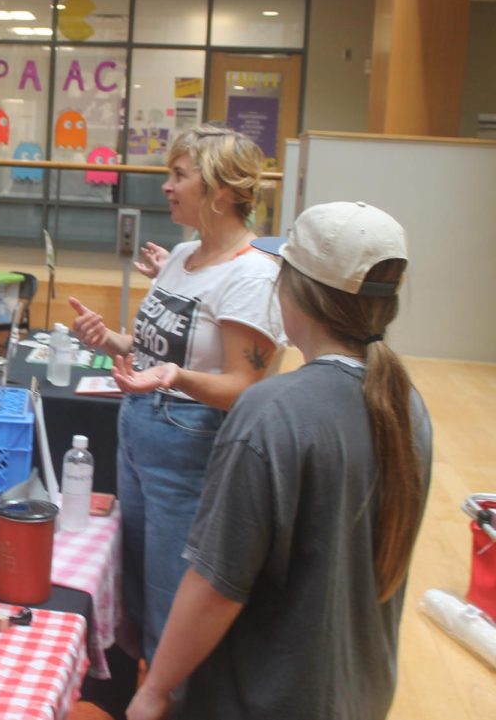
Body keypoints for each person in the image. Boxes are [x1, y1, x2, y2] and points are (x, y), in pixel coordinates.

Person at [127, 201, 432, 720]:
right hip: (362, 693)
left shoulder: (271, 413)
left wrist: (155, 690)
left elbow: (216, 587)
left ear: (293, 291)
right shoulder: (407, 404)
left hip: (264, 698)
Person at [69, 124, 284, 662]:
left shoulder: (253, 276)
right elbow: (150, 350)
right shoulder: (181, 255)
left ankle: (173, 698)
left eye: (180, 175)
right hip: (139, 435)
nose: (167, 185)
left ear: (223, 191)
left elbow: (245, 389)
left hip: (189, 449)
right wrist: (109, 339)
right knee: (137, 587)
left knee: (173, 598)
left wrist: (176, 378)